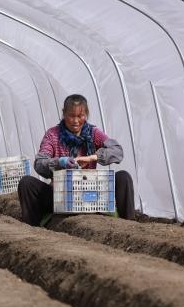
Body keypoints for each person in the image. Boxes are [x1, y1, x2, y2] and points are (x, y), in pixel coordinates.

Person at [18, 93, 135, 226]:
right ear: (64, 114)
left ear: (86, 115)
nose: (75, 121)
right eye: (71, 116)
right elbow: (39, 162)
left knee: (123, 177)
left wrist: (92, 157)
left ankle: (129, 225)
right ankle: (33, 227)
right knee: (26, 183)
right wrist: (60, 162)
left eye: (80, 116)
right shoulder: (53, 135)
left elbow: (117, 150)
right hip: (60, 195)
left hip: (90, 193)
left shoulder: (93, 133)